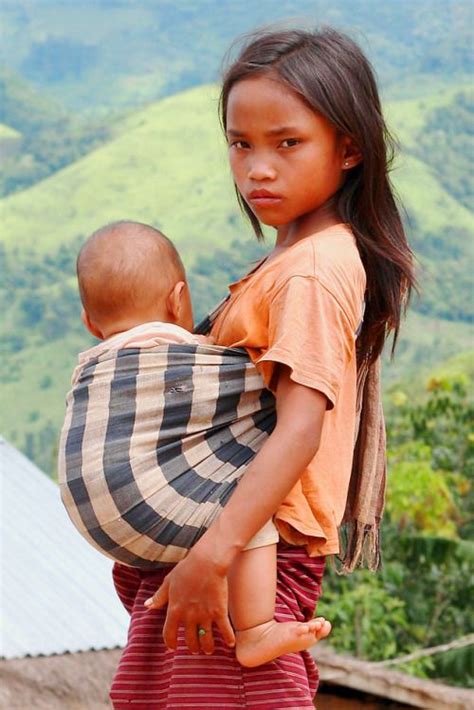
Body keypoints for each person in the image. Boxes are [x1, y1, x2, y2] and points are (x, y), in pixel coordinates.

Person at [110, 27, 415, 708]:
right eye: (240, 144)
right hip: (235, 549)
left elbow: (300, 428)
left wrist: (215, 553)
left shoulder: (310, 271)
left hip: (249, 558)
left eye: (287, 143)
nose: (258, 169)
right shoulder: (292, 261)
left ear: (350, 148)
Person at [62, 219, 331, 668]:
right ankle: (256, 631)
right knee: (250, 506)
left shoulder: (95, 366)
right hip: (148, 503)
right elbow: (253, 384)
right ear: (178, 299)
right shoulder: (176, 352)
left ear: (90, 323)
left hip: (92, 514)